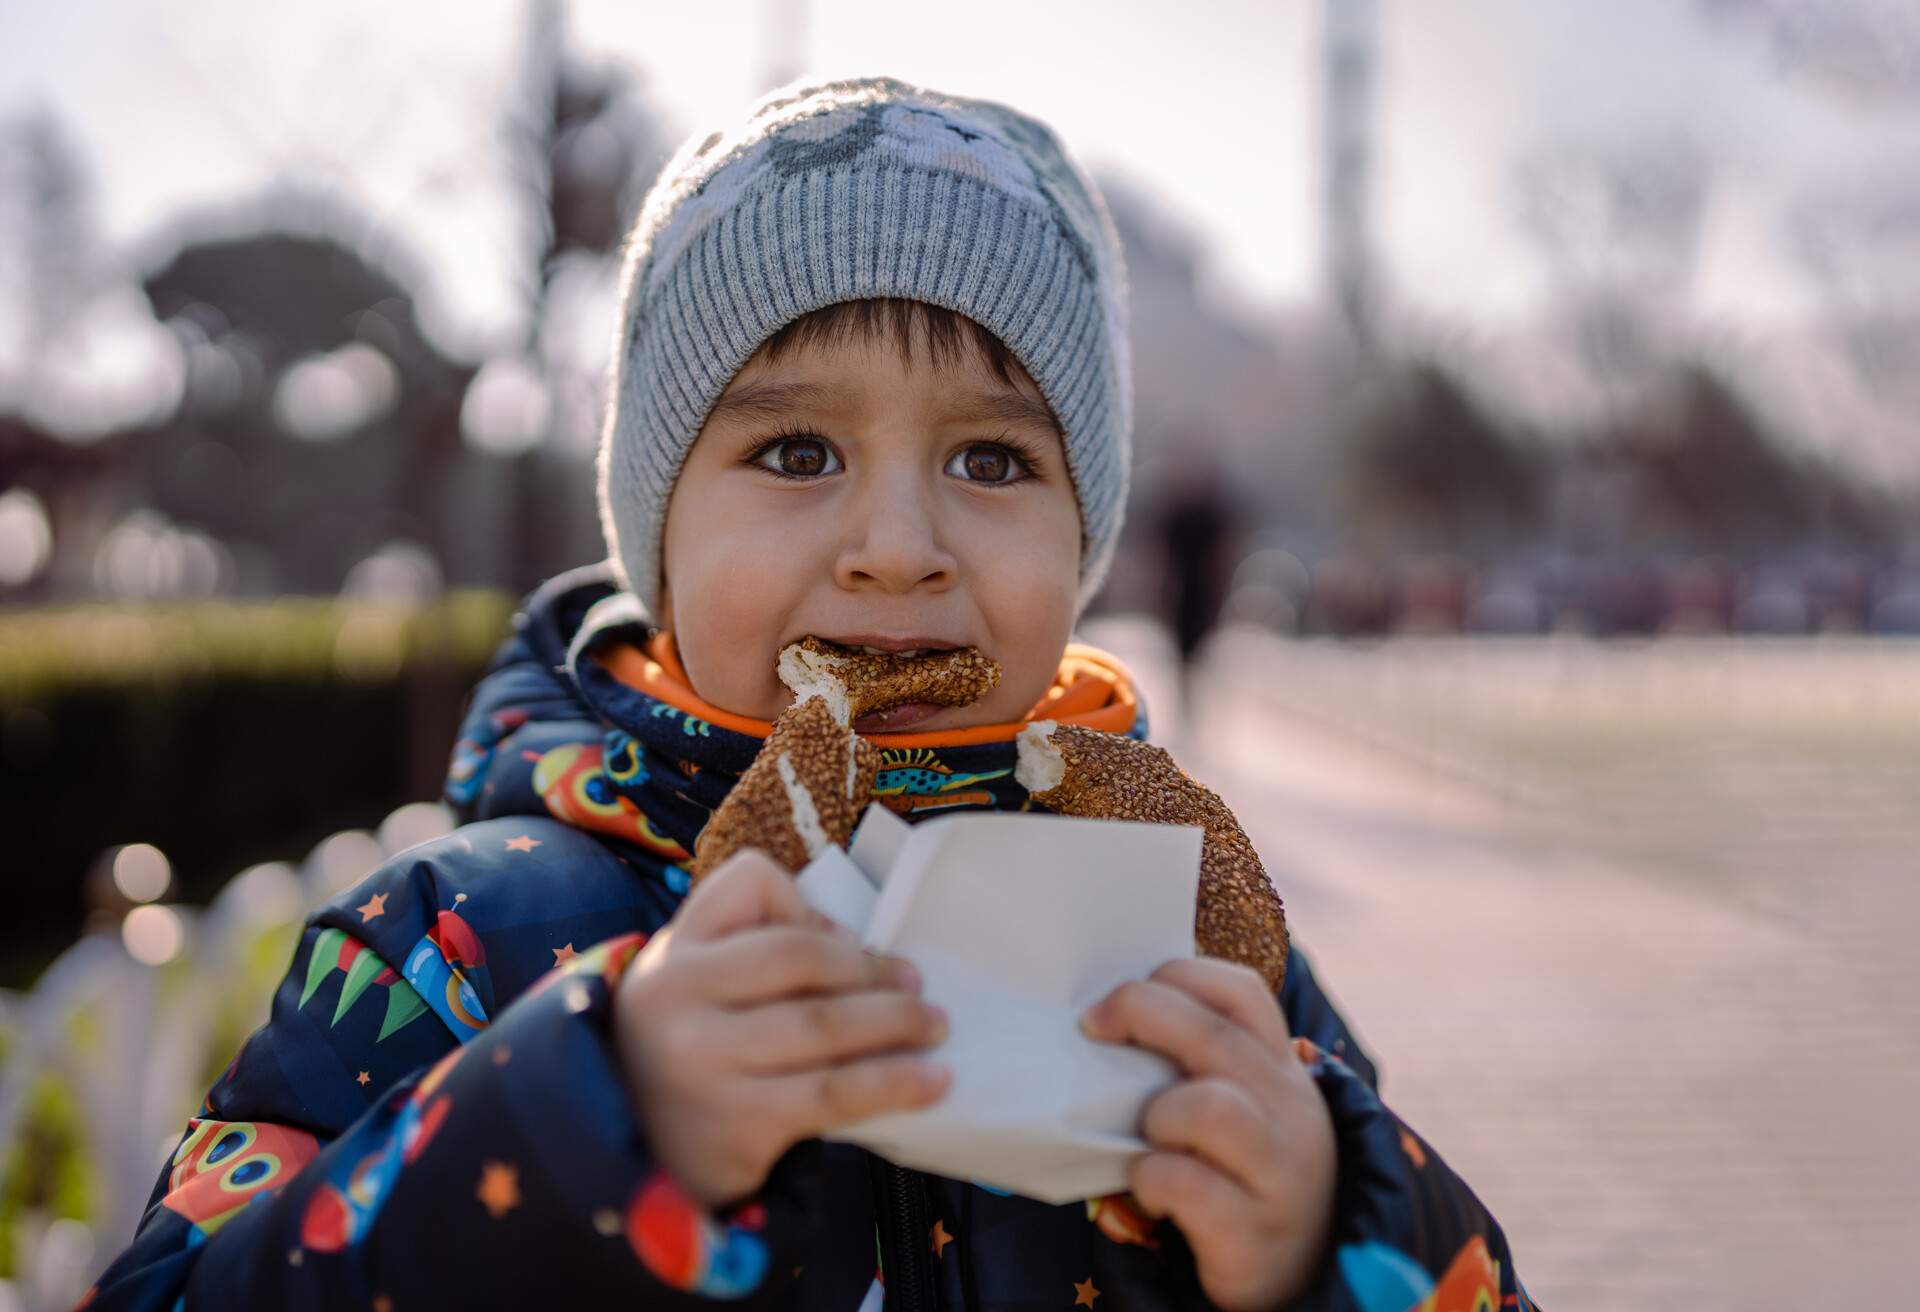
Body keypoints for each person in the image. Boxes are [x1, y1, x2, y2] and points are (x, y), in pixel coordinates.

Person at [79, 76, 1532, 1311]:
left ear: (1084, 542)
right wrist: (589, 1110)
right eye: (795, 455)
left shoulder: (1195, 933)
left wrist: (1331, 1231)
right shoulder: (463, 940)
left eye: (992, 462)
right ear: (657, 536)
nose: (897, 551)